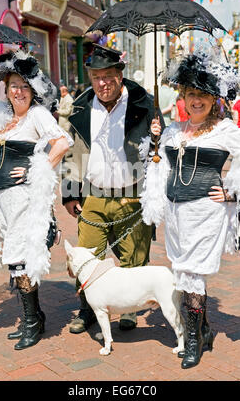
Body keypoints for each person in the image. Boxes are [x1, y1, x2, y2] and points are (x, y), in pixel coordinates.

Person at [140, 52, 240, 369]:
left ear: (214, 99)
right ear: (182, 96)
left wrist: (233, 191)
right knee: (181, 272)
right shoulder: (172, 130)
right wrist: (155, 140)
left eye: (203, 95)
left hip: (205, 212)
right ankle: (203, 330)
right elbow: (160, 166)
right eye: (191, 94)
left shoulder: (225, 130)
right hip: (175, 215)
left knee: (192, 273)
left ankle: (193, 343)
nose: (196, 101)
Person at [0, 50, 73, 350]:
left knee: (20, 258)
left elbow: (63, 142)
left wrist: (34, 169)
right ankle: (34, 315)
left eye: (24, 86)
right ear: (6, 88)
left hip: (25, 202)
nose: (19, 91)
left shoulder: (37, 115)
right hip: (1, 203)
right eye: (13, 85)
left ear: (33, 89)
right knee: (14, 259)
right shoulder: (0, 114)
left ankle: (32, 323)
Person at [62, 44, 164, 334]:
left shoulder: (145, 104)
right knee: (86, 256)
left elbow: (161, 152)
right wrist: (70, 193)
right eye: (96, 77)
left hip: (132, 193)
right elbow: (73, 154)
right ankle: (88, 309)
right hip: (93, 195)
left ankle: (129, 310)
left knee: (134, 257)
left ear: (120, 75)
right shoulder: (81, 107)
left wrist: (158, 135)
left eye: (108, 76)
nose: (102, 83)